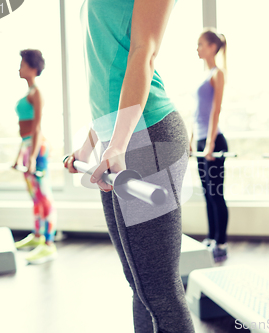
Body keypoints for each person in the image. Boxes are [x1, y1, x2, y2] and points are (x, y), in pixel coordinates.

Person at [63, 0, 195, 331]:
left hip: (148, 134)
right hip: (117, 139)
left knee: (160, 290)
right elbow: (108, 76)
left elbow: (143, 53)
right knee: (140, 284)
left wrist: (119, 143)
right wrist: (88, 147)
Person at [13, 49, 57, 264]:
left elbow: (37, 127)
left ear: (32, 67)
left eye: (22, 64)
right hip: (27, 147)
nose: (19, 68)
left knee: (44, 195)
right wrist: (18, 156)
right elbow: (25, 133)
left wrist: (31, 159)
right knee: (35, 197)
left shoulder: (37, 93)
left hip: (37, 149)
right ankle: (37, 236)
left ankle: (48, 245)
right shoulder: (28, 93)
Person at [191, 28, 229, 262]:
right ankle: (212, 237)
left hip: (214, 142)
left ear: (213, 47)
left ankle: (221, 242)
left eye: (201, 44)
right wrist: (191, 141)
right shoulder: (203, 76)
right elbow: (197, 114)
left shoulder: (217, 73)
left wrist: (211, 143)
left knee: (216, 193)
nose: (198, 48)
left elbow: (216, 110)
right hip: (201, 141)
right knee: (207, 193)